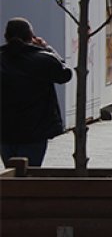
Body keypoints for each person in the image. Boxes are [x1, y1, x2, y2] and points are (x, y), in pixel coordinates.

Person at [1, 18, 72, 167]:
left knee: (10, 172)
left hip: (4, 130)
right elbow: (65, 74)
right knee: (31, 172)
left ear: (6, 36)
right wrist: (48, 49)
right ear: (30, 37)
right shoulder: (44, 59)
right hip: (35, 130)